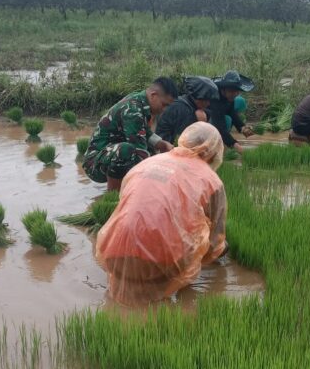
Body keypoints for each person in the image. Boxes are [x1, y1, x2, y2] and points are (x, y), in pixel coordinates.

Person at [95, 122, 227, 305]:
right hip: (160, 265)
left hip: (111, 250)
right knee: (199, 234)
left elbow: (127, 206)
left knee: (123, 304)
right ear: (213, 151)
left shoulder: (147, 163)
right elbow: (215, 243)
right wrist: (220, 255)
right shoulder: (212, 181)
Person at [82, 77, 178, 191]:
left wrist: (162, 144)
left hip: (108, 155)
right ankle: (114, 196)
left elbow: (145, 132)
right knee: (126, 151)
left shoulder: (140, 101)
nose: (164, 110)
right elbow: (141, 153)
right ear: (153, 95)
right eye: (164, 104)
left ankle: (127, 189)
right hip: (94, 163)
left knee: (152, 153)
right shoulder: (133, 110)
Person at [155, 76, 219, 144]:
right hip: (165, 145)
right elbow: (182, 141)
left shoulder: (187, 102)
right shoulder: (183, 109)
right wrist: (201, 124)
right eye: (206, 100)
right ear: (198, 97)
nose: (208, 104)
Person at [210, 70, 255, 154]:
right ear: (223, 89)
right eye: (231, 91)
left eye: (237, 91)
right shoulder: (214, 98)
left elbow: (232, 112)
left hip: (217, 116)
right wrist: (236, 146)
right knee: (226, 121)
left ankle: (223, 142)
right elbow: (220, 128)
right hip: (203, 118)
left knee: (230, 116)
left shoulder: (229, 97)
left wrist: (242, 127)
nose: (235, 94)